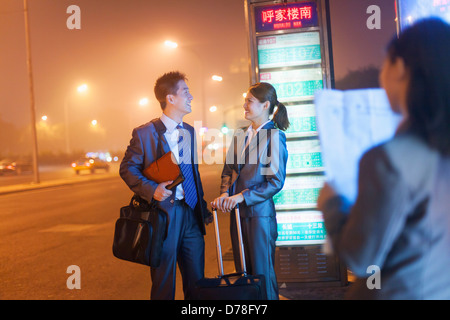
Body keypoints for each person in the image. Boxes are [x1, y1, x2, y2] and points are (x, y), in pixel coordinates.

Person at [317, 18, 450, 300]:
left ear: (400, 68)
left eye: (385, 65)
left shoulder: (388, 159)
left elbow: (360, 258)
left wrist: (331, 203)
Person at [120, 71, 212, 300]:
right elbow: (127, 168)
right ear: (170, 98)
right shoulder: (145, 133)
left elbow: (192, 173)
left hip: (191, 214)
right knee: (163, 282)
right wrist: (152, 190)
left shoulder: (189, 131)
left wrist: (201, 205)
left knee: (197, 281)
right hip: (164, 216)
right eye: (185, 92)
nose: (191, 96)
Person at [212, 82, 289, 300]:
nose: (244, 105)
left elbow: (275, 182)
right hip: (238, 214)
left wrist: (241, 196)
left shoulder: (274, 136)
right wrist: (225, 193)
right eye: (245, 100)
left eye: (250, 101)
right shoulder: (240, 135)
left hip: (260, 216)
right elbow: (228, 170)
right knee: (244, 274)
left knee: (262, 275)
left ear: (265, 105)